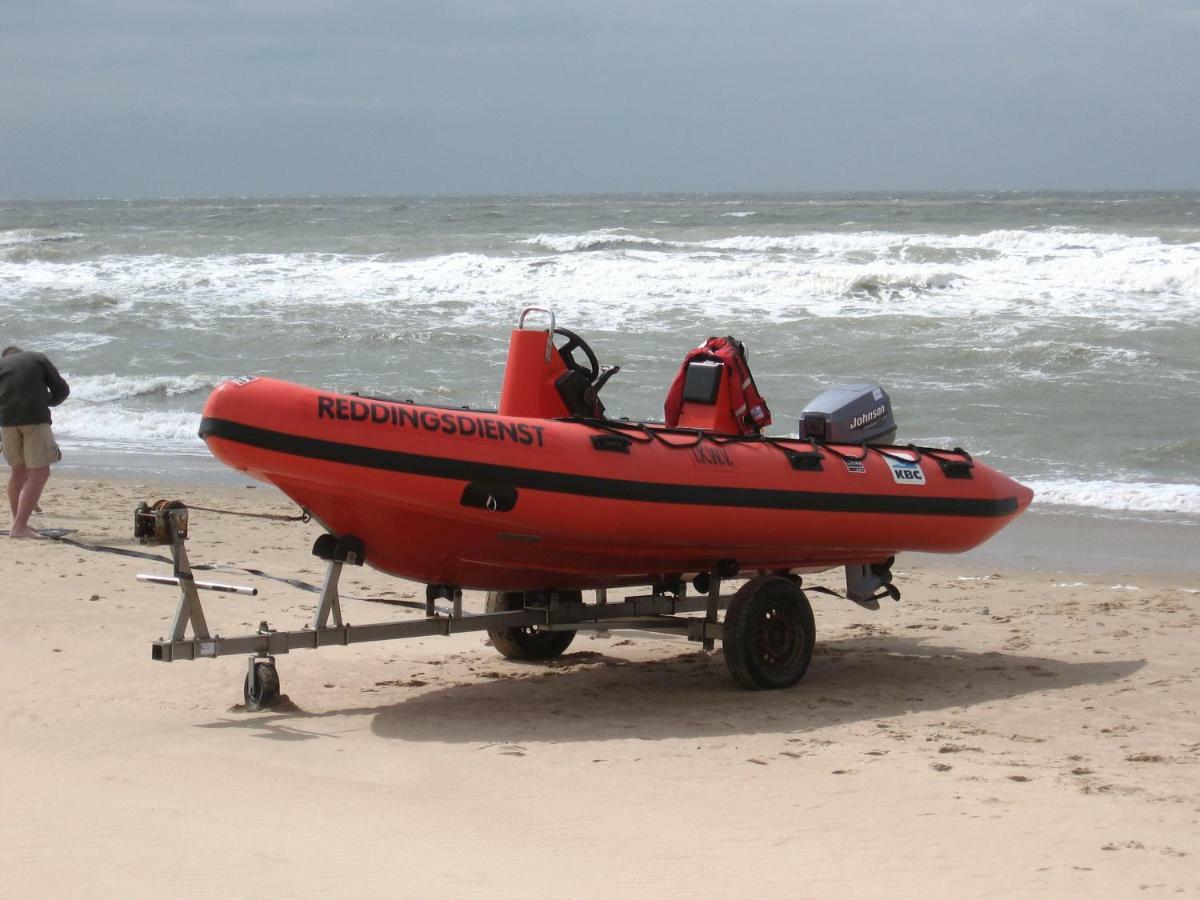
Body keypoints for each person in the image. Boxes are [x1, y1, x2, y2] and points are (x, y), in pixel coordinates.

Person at [0, 346, 70, 538]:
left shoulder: (1, 364)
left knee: (18, 471)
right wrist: (46, 401)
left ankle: (19, 523)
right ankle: (19, 527)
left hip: (6, 421)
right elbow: (62, 390)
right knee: (40, 471)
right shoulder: (37, 358)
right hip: (34, 418)